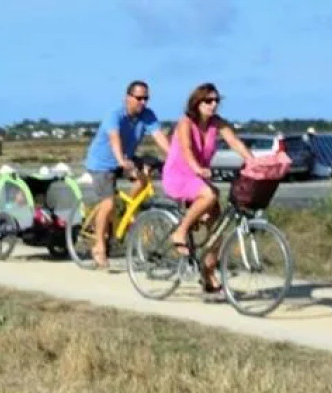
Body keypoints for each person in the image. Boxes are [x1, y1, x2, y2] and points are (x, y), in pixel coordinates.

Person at [162, 82, 255, 293]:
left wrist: (253, 161)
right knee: (210, 194)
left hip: (198, 177)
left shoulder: (216, 123)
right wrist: (198, 168)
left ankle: (208, 274)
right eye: (208, 100)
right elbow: (186, 149)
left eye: (216, 101)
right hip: (180, 175)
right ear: (197, 102)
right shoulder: (185, 123)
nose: (213, 105)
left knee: (218, 226)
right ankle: (180, 231)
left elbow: (234, 141)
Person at [83, 80, 172, 268]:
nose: (143, 102)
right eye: (139, 98)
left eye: (146, 98)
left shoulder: (147, 116)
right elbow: (114, 138)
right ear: (127, 98)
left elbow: (159, 138)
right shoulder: (115, 115)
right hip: (102, 163)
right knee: (107, 203)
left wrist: (175, 159)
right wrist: (122, 161)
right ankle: (99, 246)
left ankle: (125, 210)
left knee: (146, 178)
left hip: (127, 158)